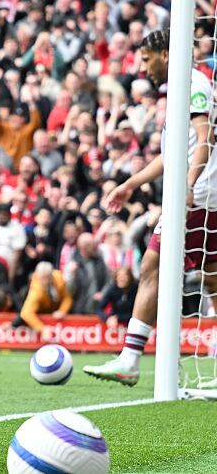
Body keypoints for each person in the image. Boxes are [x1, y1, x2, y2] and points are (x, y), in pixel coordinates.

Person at [86, 29, 217, 386]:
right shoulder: (184, 87)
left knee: (152, 264)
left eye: (146, 58)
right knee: (211, 277)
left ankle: (130, 358)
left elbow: (204, 140)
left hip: (198, 195)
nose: (142, 68)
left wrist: (188, 185)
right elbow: (172, 153)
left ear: (165, 54)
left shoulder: (192, 84)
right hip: (205, 194)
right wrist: (130, 184)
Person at [20, 262, 72, 335]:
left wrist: (62, 311)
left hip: (57, 309)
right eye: (41, 278)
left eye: (46, 278)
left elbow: (67, 298)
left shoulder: (59, 279)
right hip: (42, 311)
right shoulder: (36, 290)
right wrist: (42, 328)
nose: (43, 281)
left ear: (51, 276)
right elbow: (26, 313)